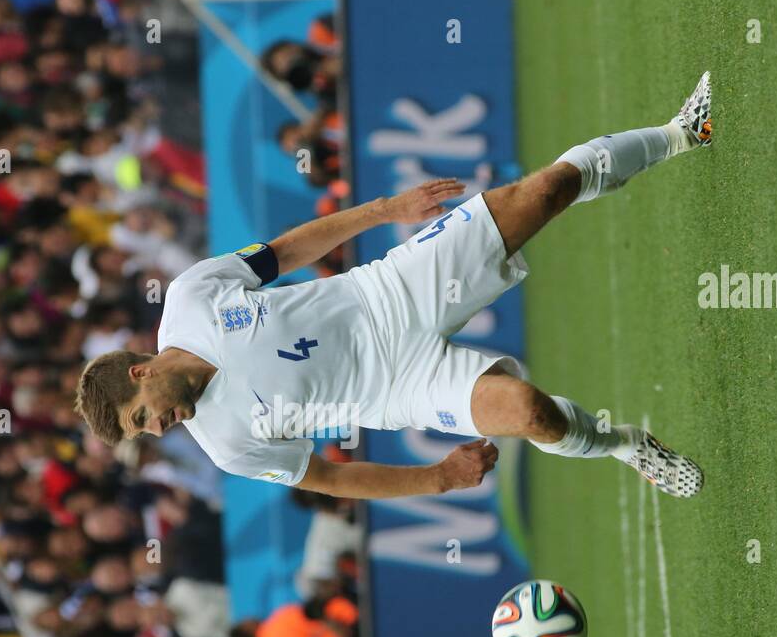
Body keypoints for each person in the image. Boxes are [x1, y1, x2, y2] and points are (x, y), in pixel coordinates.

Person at [75, 74, 715, 500]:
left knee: (543, 191)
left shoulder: (189, 299)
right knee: (530, 414)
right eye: (144, 434)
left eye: (141, 419)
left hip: (390, 291)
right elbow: (331, 477)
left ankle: (684, 132)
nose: (159, 429)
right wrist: (437, 476)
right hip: (398, 389)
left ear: (138, 374)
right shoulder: (226, 446)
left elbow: (288, 250)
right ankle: (625, 446)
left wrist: (384, 210)